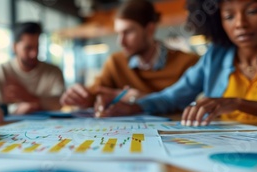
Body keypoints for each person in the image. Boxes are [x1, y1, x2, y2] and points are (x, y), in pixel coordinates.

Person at [96, 0, 257, 126]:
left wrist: (239, 103)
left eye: (252, 11)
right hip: (223, 150)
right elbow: (173, 96)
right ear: (217, 20)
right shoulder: (215, 55)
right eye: (229, 16)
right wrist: (132, 107)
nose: (240, 24)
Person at [60, 0, 199, 109]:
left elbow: (198, 104)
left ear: (149, 29)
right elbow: (94, 93)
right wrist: (80, 96)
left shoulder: (188, 63)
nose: (121, 41)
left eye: (128, 32)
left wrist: (140, 99)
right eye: (119, 33)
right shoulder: (115, 62)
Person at [0, 22, 65, 115]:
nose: (34, 53)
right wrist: (19, 109)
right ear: (15, 47)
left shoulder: (54, 71)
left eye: (37, 47)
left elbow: (61, 103)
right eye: (28, 48)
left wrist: (28, 97)